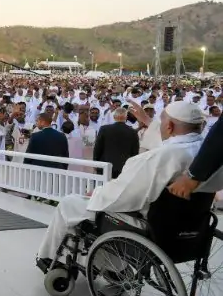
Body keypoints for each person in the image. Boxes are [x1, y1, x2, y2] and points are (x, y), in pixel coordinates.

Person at [36, 101, 205, 264]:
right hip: (192, 225)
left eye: (161, 121)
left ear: (170, 126)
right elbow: (171, 144)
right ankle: (107, 265)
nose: (158, 125)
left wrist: (97, 193)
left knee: (70, 204)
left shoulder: (156, 158)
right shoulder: (205, 154)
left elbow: (124, 195)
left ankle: (49, 257)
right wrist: (148, 122)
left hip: (149, 224)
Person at [93, 107, 140, 179]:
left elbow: (97, 148)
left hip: (105, 167)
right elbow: (135, 153)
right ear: (126, 117)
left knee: (103, 189)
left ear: (114, 117)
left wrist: (95, 163)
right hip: (124, 168)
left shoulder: (104, 129)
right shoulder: (132, 132)